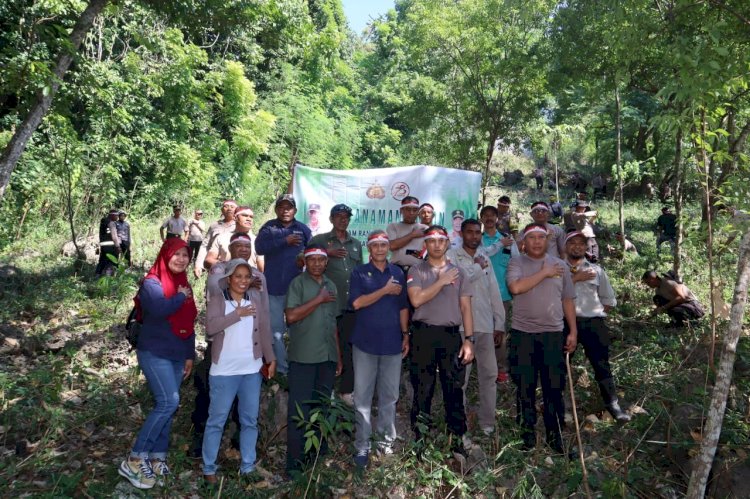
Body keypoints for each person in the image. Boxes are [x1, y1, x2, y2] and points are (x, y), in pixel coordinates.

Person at [118, 238, 197, 489]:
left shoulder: (183, 283)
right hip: (154, 352)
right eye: (177, 254)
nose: (181, 259)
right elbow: (159, 309)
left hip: (176, 353)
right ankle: (134, 458)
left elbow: (189, 321)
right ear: (165, 255)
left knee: (167, 406)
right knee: (168, 402)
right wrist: (180, 296)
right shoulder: (151, 283)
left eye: (186, 255)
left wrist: (189, 355)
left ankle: (156, 459)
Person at [202, 259, 276, 484]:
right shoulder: (218, 300)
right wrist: (237, 314)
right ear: (229, 279)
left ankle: (247, 466)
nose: (243, 281)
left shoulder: (254, 299)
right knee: (217, 420)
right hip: (224, 370)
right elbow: (211, 328)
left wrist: (270, 358)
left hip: (251, 370)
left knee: (249, 420)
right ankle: (208, 469)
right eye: (238, 276)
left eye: (247, 277)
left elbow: (263, 329)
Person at [506, 223, 577, 453]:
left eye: (541, 237)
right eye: (532, 237)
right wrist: (544, 272)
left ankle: (554, 435)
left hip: (553, 335)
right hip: (523, 334)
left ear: (548, 240)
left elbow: (567, 299)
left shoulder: (561, 266)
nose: (537, 241)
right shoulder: (517, 262)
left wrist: (573, 331)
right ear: (524, 242)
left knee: (553, 387)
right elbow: (515, 287)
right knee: (525, 385)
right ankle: (526, 434)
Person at [190, 233, 261, 458]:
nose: (243, 250)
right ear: (230, 248)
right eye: (238, 246)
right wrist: (244, 284)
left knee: (246, 404)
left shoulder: (255, 274)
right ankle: (200, 441)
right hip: (220, 345)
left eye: (246, 247)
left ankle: (240, 445)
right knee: (208, 395)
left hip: (248, 351)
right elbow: (215, 289)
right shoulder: (220, 270)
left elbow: (264, 309)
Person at [406, 225, 474, 453]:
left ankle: (457, 439)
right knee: (423, 388)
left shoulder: (460, 272)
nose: (436, 244)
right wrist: (441, 281)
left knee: (453, 388)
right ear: (425, 244)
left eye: (441, 240)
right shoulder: (416, 270)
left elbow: (466, 307)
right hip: (423, 335)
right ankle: (420, 440)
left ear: (447, 244)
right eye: (431, 240)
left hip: (450, 336)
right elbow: (416, 300)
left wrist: (469, 340)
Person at [349, 230, 409, 467]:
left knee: (389, 397)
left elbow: (403, 307)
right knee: (362, 398)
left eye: (384, 245)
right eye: (376, 245)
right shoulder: (359, 272)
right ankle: (362, 446)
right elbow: (356, 303)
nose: (381, 249)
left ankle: (385, 444)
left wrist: (406, 334)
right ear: (369, 248)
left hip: (393, 344)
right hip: (365, 344)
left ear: (389, 248)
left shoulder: (398, 273)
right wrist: (384, 290)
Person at [284, 245, 342, 475]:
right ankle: (295, 465)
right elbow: (291, 316)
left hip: (327, 357)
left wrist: (337, 356)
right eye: (313, 260)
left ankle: (317, 460)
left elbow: (333, 324)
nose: (317, 264)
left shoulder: (331, 285)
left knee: (322, 407)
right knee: (299, 411)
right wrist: (318, 299)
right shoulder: (297, 284)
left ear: (326, 262)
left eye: (321, 260)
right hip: (304, 358)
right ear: (305, 262)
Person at [564, 231, 630, 422]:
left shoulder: (597, 270)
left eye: (581, 244)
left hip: (593, 322)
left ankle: (613, 405)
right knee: (560, 365)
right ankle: (562, 406)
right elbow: (552, 295)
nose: (577, 246)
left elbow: (608, 299)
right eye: (572, 243)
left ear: (586, 247)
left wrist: (594, 314)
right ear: (565, 247)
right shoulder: (557, 270)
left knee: (601, 364)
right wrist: (575, 278)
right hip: (564, 324)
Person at [447, 219, 505, 435]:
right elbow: (459, 283)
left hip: (485, 325)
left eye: (477, 233)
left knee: (490, 375)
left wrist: (499, 322)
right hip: (462, 327)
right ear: (462, 234)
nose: (474, 236)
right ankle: (459, 424)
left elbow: (494, 292)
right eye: (469, 232)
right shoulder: (451, 256)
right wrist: (477, 267)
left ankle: (488, 423)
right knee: (460, 378)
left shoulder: (485, 257)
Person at [310, 204, 363, 405]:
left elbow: (359, 275)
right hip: (328, 304)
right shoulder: (320, 240)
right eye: (338, 216)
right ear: (331, 219)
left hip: (351, 306)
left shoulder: (356, 244)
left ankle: (346, 391)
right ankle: (327, 389)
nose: (343, 220)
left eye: (346, 217)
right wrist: (326, 253)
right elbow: (301, 261)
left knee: (349, 348)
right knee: (328, 348)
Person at [255, 194, 312, 376]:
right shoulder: (269, 227)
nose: (285, 210)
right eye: (282, 207)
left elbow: (312, 254)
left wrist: (304, 259)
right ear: (276, 209)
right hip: (273, 288)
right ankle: (281, 369)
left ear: (295, 210)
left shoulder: (303, 229)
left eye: (289, 207)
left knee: (299, 329)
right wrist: (284, 241)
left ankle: (299, 364)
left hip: (297, 290)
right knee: (276, 331)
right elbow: (259, 248)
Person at [479, 205, 518, 383]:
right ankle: (482, 366)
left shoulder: (508, 240)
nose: (488, 218)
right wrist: (498, 245)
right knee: (480, 330)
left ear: (497, 219)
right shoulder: (476, 239)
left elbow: (517, 263)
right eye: (485, 215)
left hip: (502, 294)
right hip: (479, 294)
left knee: (499, 333)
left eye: (492, 216)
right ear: (481, 219)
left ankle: (502, 369)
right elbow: (479, 256)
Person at [205, 206, 263, 272]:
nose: (249, 219)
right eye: (245, 215)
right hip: (224, 279)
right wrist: (228, 266)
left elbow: (261, 268)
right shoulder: (222, 237)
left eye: (251, 217)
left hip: (249, 280)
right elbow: (208, 261)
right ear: (235, 218)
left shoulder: (257, 241)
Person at [195, 200, 237, 278]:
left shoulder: (239, 227)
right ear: (222, 210)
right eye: (226, 206)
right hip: (214, 266)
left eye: (232, 207)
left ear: (236, 210)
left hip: (233, 269)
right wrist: (198, 265)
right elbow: (205, 246)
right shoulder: (214, 226)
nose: (229, 209)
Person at [387, 196, 427, 276]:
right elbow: (392, 246)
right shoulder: (393, 226)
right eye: (408, 209)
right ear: (401, 210)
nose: (411, 213)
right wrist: (412, 235)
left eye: (415, 210)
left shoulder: (425, 228)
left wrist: (417, 254)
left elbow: (427, 253)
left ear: (418, 211)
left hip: (419, 271)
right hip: (396, 270)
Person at [96, 209, 121, 276]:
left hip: (103, 246)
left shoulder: (103, 222)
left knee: (102, 261)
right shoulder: (111, 223)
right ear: (112, 215)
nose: (117, 217)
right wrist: (118, 247)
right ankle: (109, 278)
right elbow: (114, 237)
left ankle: (97, 275)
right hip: (111, 247)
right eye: (116, 216)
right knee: (112, 262)